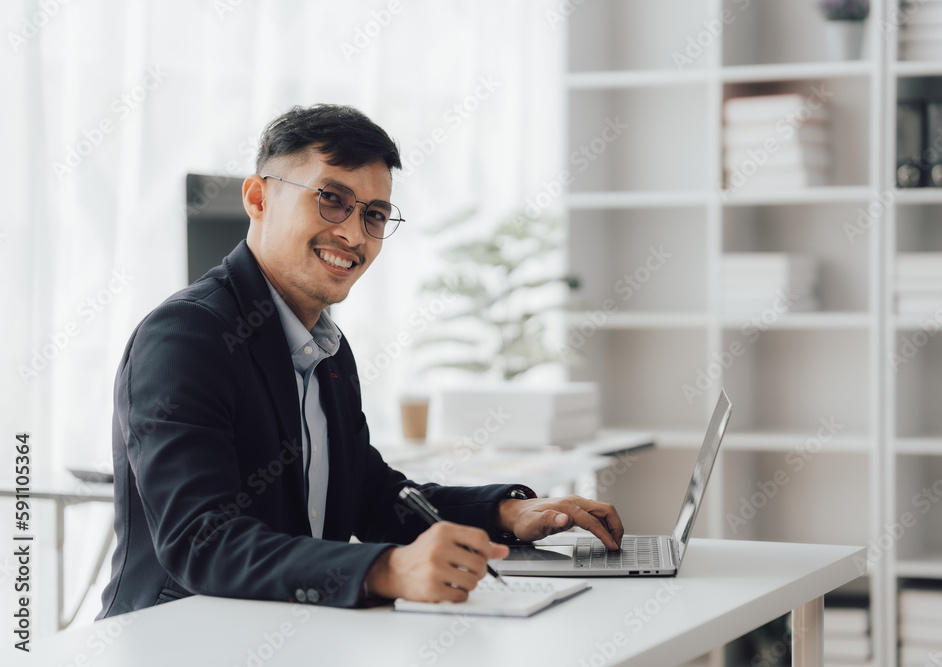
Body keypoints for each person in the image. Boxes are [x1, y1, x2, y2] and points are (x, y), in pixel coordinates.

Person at [98, 104, 623, 618]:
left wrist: (508, 512)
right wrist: (387, 569)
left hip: (285, 631)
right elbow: (201, 540)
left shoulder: (326, 348)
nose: (353, 235)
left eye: (373, 215)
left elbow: (367, 495)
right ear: (258, 198)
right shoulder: (187, 335)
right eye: (331, 199)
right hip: (179, 639)